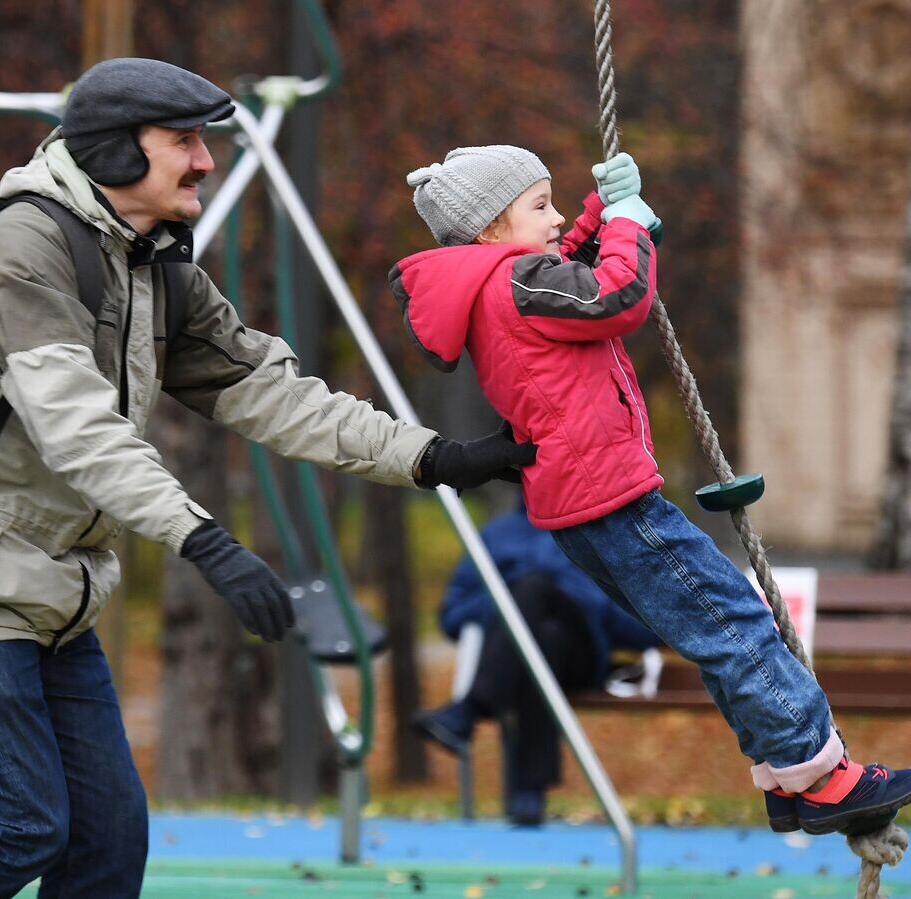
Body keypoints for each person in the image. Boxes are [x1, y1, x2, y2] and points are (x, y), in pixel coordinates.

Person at [0, 60, 536, 899]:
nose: (206, 161)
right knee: (24, 826)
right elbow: (76, 428)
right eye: (184, 141)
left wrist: (435, 457)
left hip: (53, 587)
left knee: (109, 842)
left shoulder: (153, 267)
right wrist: (207, 542)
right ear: (115, 151)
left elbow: (271, 392)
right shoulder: (22, 249)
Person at [389, 145, 911, 838]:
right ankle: (821, 775)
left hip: (578, 506)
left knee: (712, 631)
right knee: (734, 620)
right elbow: (617, 296)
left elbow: (569, 268)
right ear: (490, 229)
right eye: (540, 206)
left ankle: (791, 779)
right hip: (611, 496)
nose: (557, 218)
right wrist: (629, 225)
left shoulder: (495, 286)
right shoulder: (517, 282)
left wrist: (600, 212)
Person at [412, 504, 660, 825]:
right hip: (528, 653)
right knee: (542, 632)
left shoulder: (601, 530)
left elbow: (647, 628)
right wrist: (507, 597)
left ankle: (470, 709)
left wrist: (580, 592)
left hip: (582, 655)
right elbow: (452, 616)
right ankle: (529, 792)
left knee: (535, 588)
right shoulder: (497, 534)